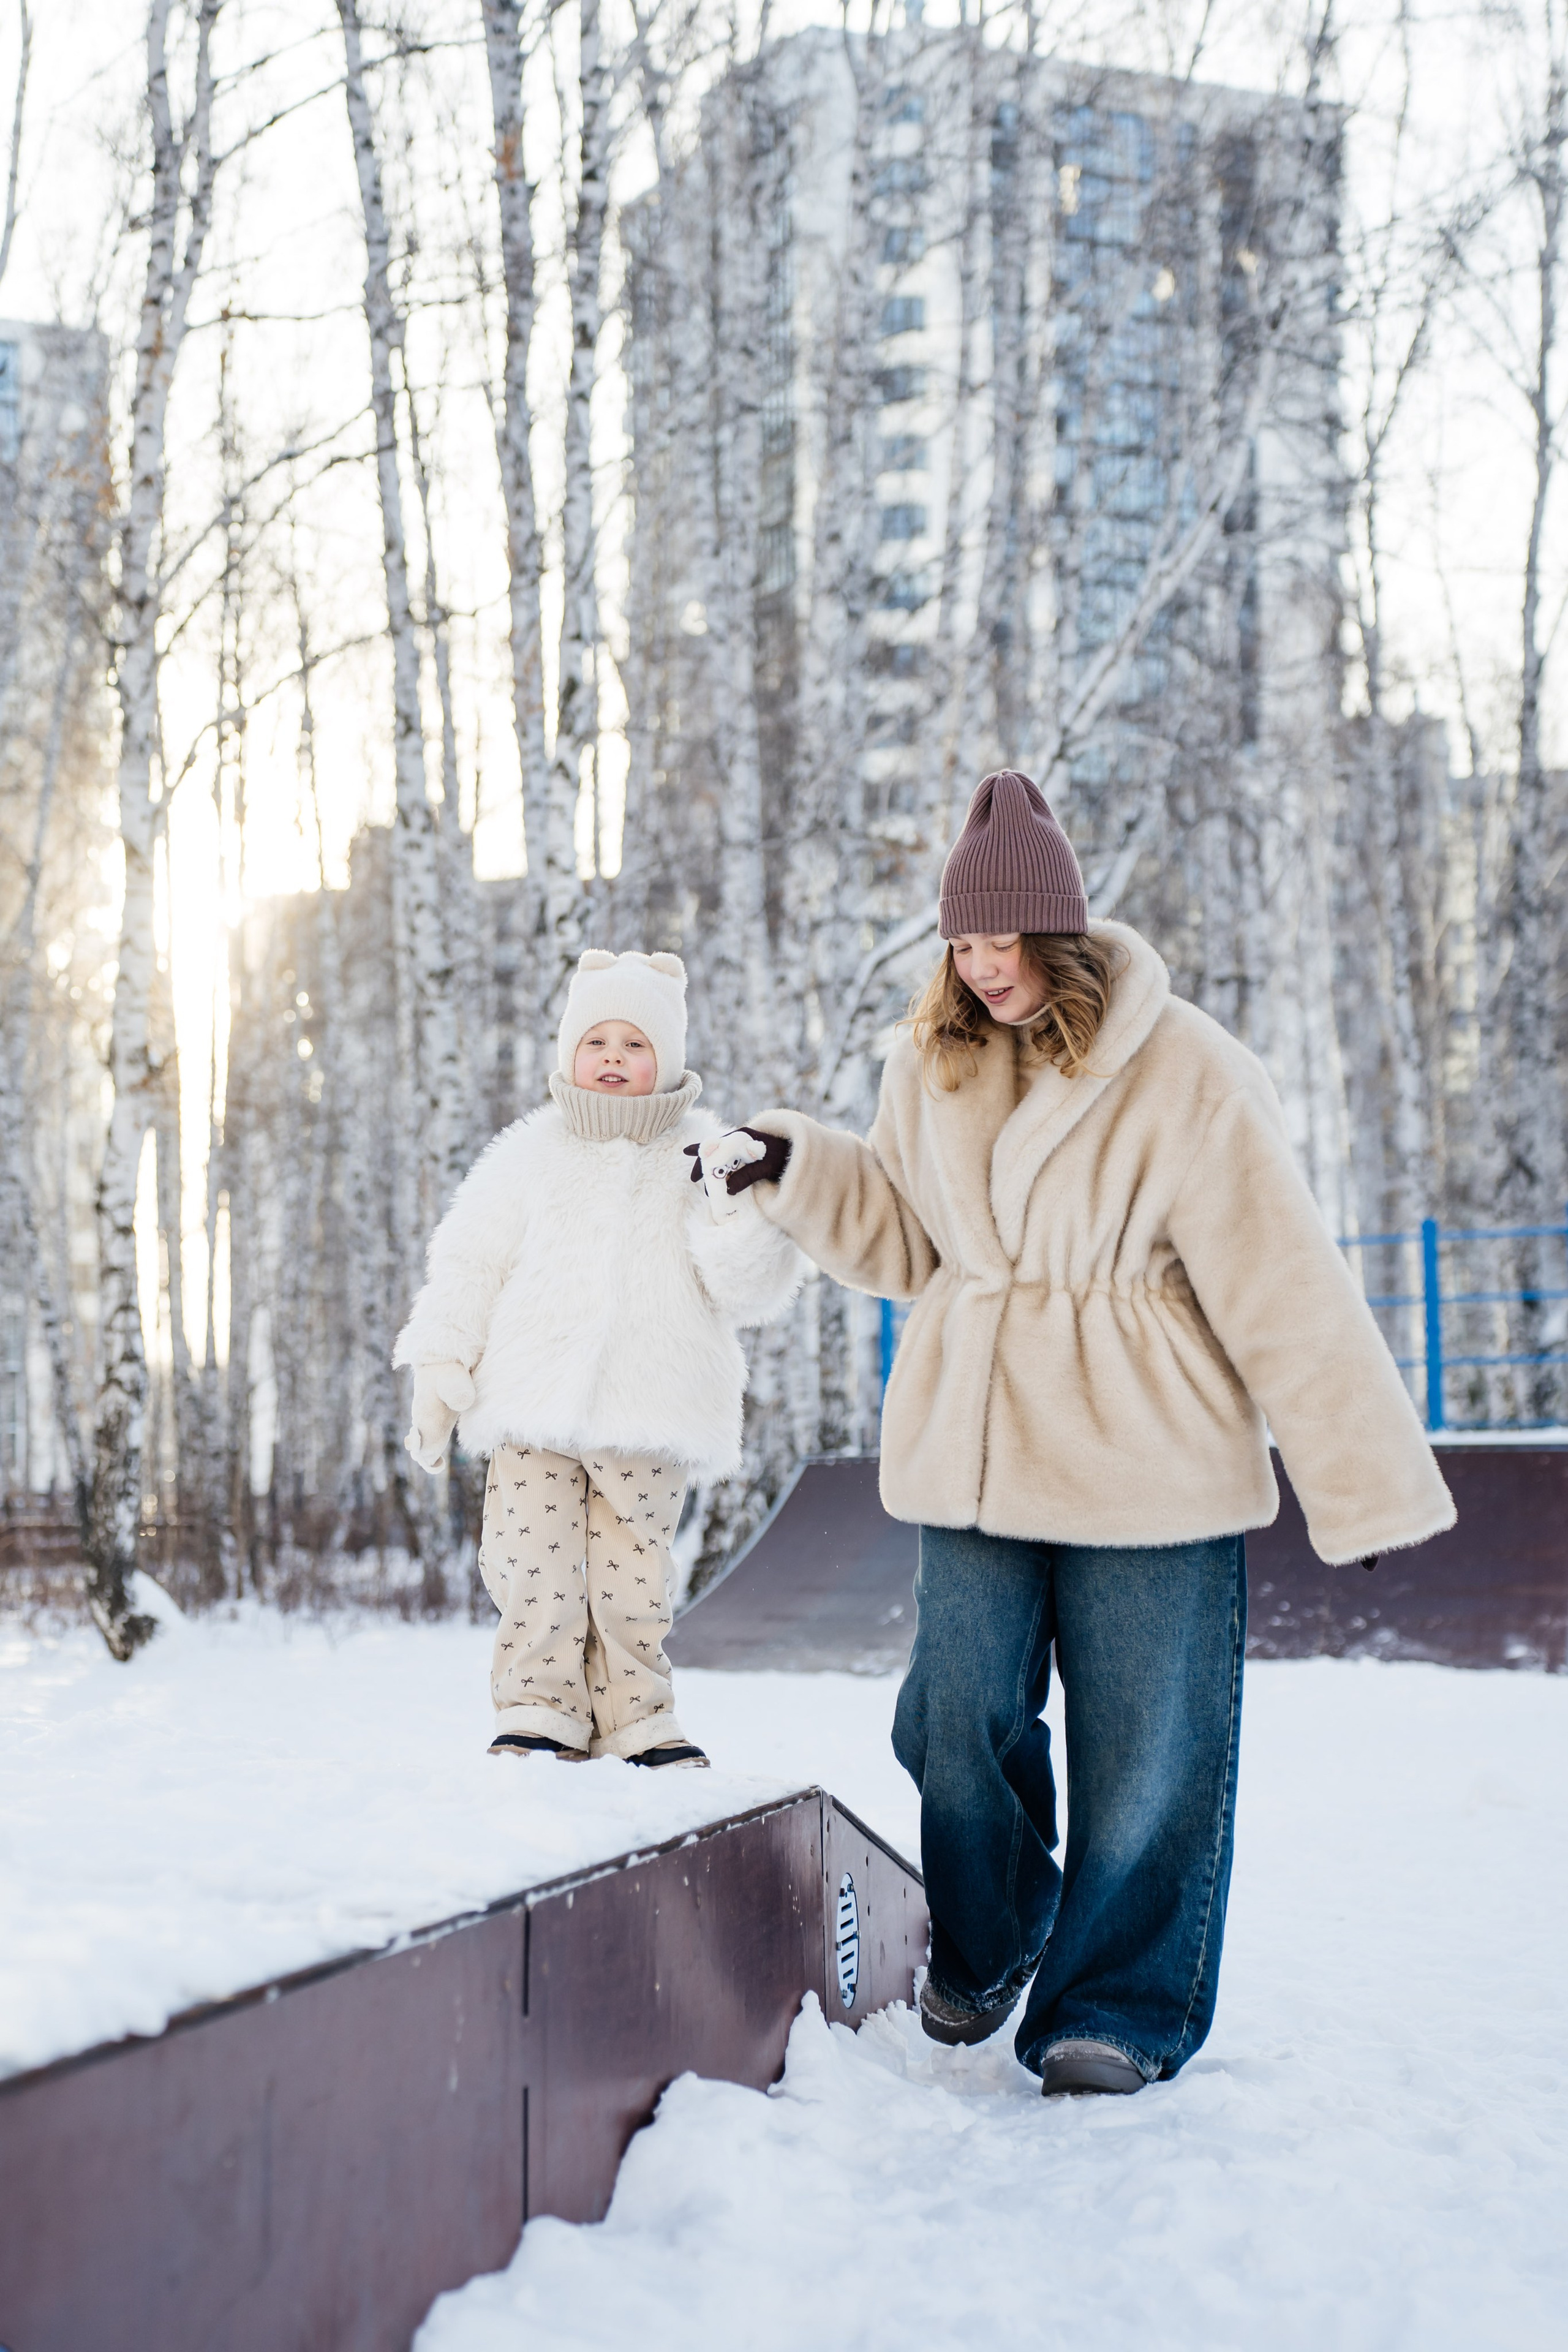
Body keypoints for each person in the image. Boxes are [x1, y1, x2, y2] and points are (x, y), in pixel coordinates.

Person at [707, 770, 1454, 2092]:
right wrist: (795, 1167)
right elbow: (905, 1234)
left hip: (1145, 1458)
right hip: (976, 1448)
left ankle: (1112, 2010)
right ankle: (994, 1934)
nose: (982, 966)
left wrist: (1362, 1486)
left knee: (1148, 1756)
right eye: (963, 940)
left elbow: (1284, 1287)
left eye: (1004, 941)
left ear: (1059, 933)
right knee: (951, 1716)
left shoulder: (1189, 1073)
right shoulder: (926, 1060)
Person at [394, 948, 801, 1769]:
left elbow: (748, 1291)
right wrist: (441, 1365)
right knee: (533, 1562)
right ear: (569, 1053)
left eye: (636, 1043)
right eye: (597, 1041)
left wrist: (741, 1217)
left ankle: (636, 1716)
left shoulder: (706, 1155)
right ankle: (540, 1707)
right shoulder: (528, 1154)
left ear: (670, 1058)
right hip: (530, 1403)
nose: (614, 1056)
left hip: (650, 1411)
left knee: (632, 1577)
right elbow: (469, 1261)